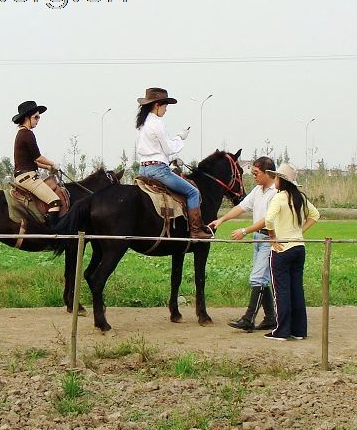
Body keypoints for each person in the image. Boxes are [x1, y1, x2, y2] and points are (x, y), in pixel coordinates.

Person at [208, 156, 277, 332]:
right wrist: (221, 219)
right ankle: (271, 318)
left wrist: (245, 231)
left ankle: (249, 318)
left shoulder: (275, 193)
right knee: (262, 279)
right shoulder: (257, 190)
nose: (253, 176)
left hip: (270, 239)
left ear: (267, 173)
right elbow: (241, 207)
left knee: (257, 278)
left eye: (256, 173)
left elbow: (268, 221)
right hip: (258, 240)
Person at [135, 87, 212, 240]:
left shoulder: (142, 124)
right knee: (193, 192)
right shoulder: (157, 123)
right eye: (165, 106)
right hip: (158, 171)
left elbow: (155, 149)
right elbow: (169, 148)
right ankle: (196, 230)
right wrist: (180, 137)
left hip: (143, 170)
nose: (166, 110)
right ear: (157, 105)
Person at [262, 163, 320, 341]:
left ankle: (282, 330)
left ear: (282, 181)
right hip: (298, 247)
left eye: (277, 178)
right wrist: (299, 232)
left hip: (282, 249)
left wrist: (272, 236)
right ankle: (299, 330)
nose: (274, 181)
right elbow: (315, 215)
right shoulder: (300, 197)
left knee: (282, 290)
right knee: (296, 289)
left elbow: (269, 219)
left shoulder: (279, 198)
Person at [11, 100, 61, 227]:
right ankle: (50, 235)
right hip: (28, 178)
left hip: (24, 175)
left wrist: (48, 167)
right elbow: (38, 157)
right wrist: (53, 164)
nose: (38, 120)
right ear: (27, 117)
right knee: (55, 201)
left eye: (39, 117)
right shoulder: (27, 134)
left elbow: (33, 161)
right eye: (36, 117)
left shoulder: (21, 134)